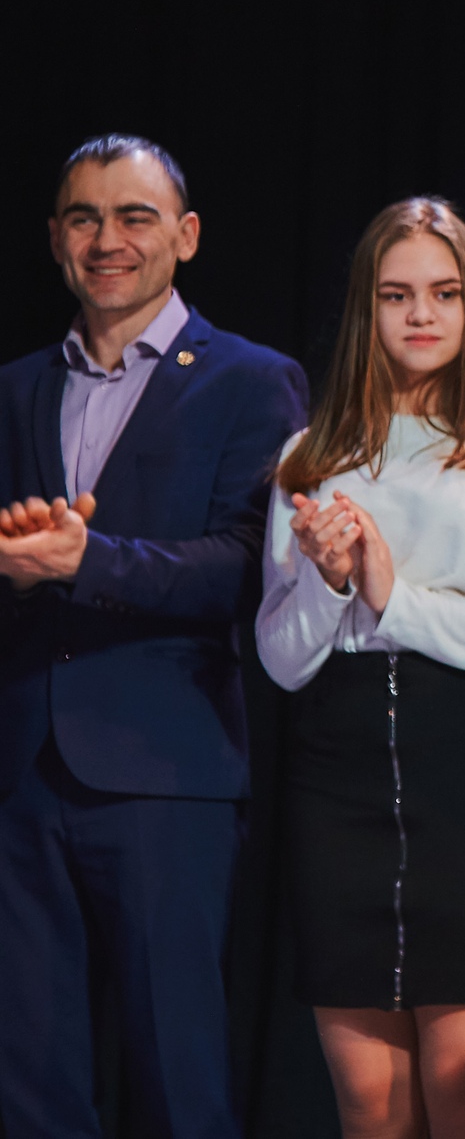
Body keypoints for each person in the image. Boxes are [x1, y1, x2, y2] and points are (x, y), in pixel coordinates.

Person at [256, 197, 465, 1139]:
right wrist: (329, 584)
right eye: (396, 294)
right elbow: (280, 660)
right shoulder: (310, 456)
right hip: (341, 779)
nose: (420, 314)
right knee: (370, 1106)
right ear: (365, 307)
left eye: (444, 293)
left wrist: (393, 598)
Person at [0, 133, 309, 1139]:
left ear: (186, 235)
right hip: (21, 774)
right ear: (55, 238)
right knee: (29, 1080)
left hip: (165, 773)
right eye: (84, 218)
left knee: (177, 1074)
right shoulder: (15, 388)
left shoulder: (251, 380)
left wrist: (86, 560)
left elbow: (247, 566)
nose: (108, 240)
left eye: (135, 216)